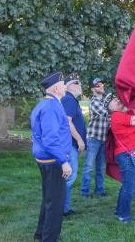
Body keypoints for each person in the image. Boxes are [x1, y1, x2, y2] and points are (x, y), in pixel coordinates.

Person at [31, 71, 72, 242]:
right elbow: (50, 138)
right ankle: (49, 238)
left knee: (49, 198)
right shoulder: (51, 106)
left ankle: (41, 234)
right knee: (56, 203)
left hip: (47, 158)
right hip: (54, 160)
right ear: (56, 88)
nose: (65, 87)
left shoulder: (45, 104)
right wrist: (64, 161)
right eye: (63, 85)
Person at [108, 97, 135, 223]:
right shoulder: (116, 115)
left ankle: (120, 211)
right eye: (113, 101)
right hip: (126, 155)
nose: (116, 100)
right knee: (129, 187)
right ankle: (123, 216)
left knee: (126, 185)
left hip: (126, 154)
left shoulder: (122, 114)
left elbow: (132, 109)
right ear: (111, 108)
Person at [61, 73, 87, 216]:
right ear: (69, 86)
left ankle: (64, 208)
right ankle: (60, 208)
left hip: (71, 145)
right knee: (69, 178)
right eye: (77, 83)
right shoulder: (69, 100)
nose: (80, 85)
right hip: (69, 144)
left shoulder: (71, 100)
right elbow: (67, 121)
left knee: (68, 177)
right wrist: (79, 140)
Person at [81, 78, 110, 197]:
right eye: (97, 85)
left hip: (103, 139)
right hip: (93, 139)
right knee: (88, 167)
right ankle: (84, 192)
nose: (101, 87)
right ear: (93, 89)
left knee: (101, 168)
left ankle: (100, 190)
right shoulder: (94, 102)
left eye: (101, 84)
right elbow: (106, 113)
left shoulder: (103, 102)